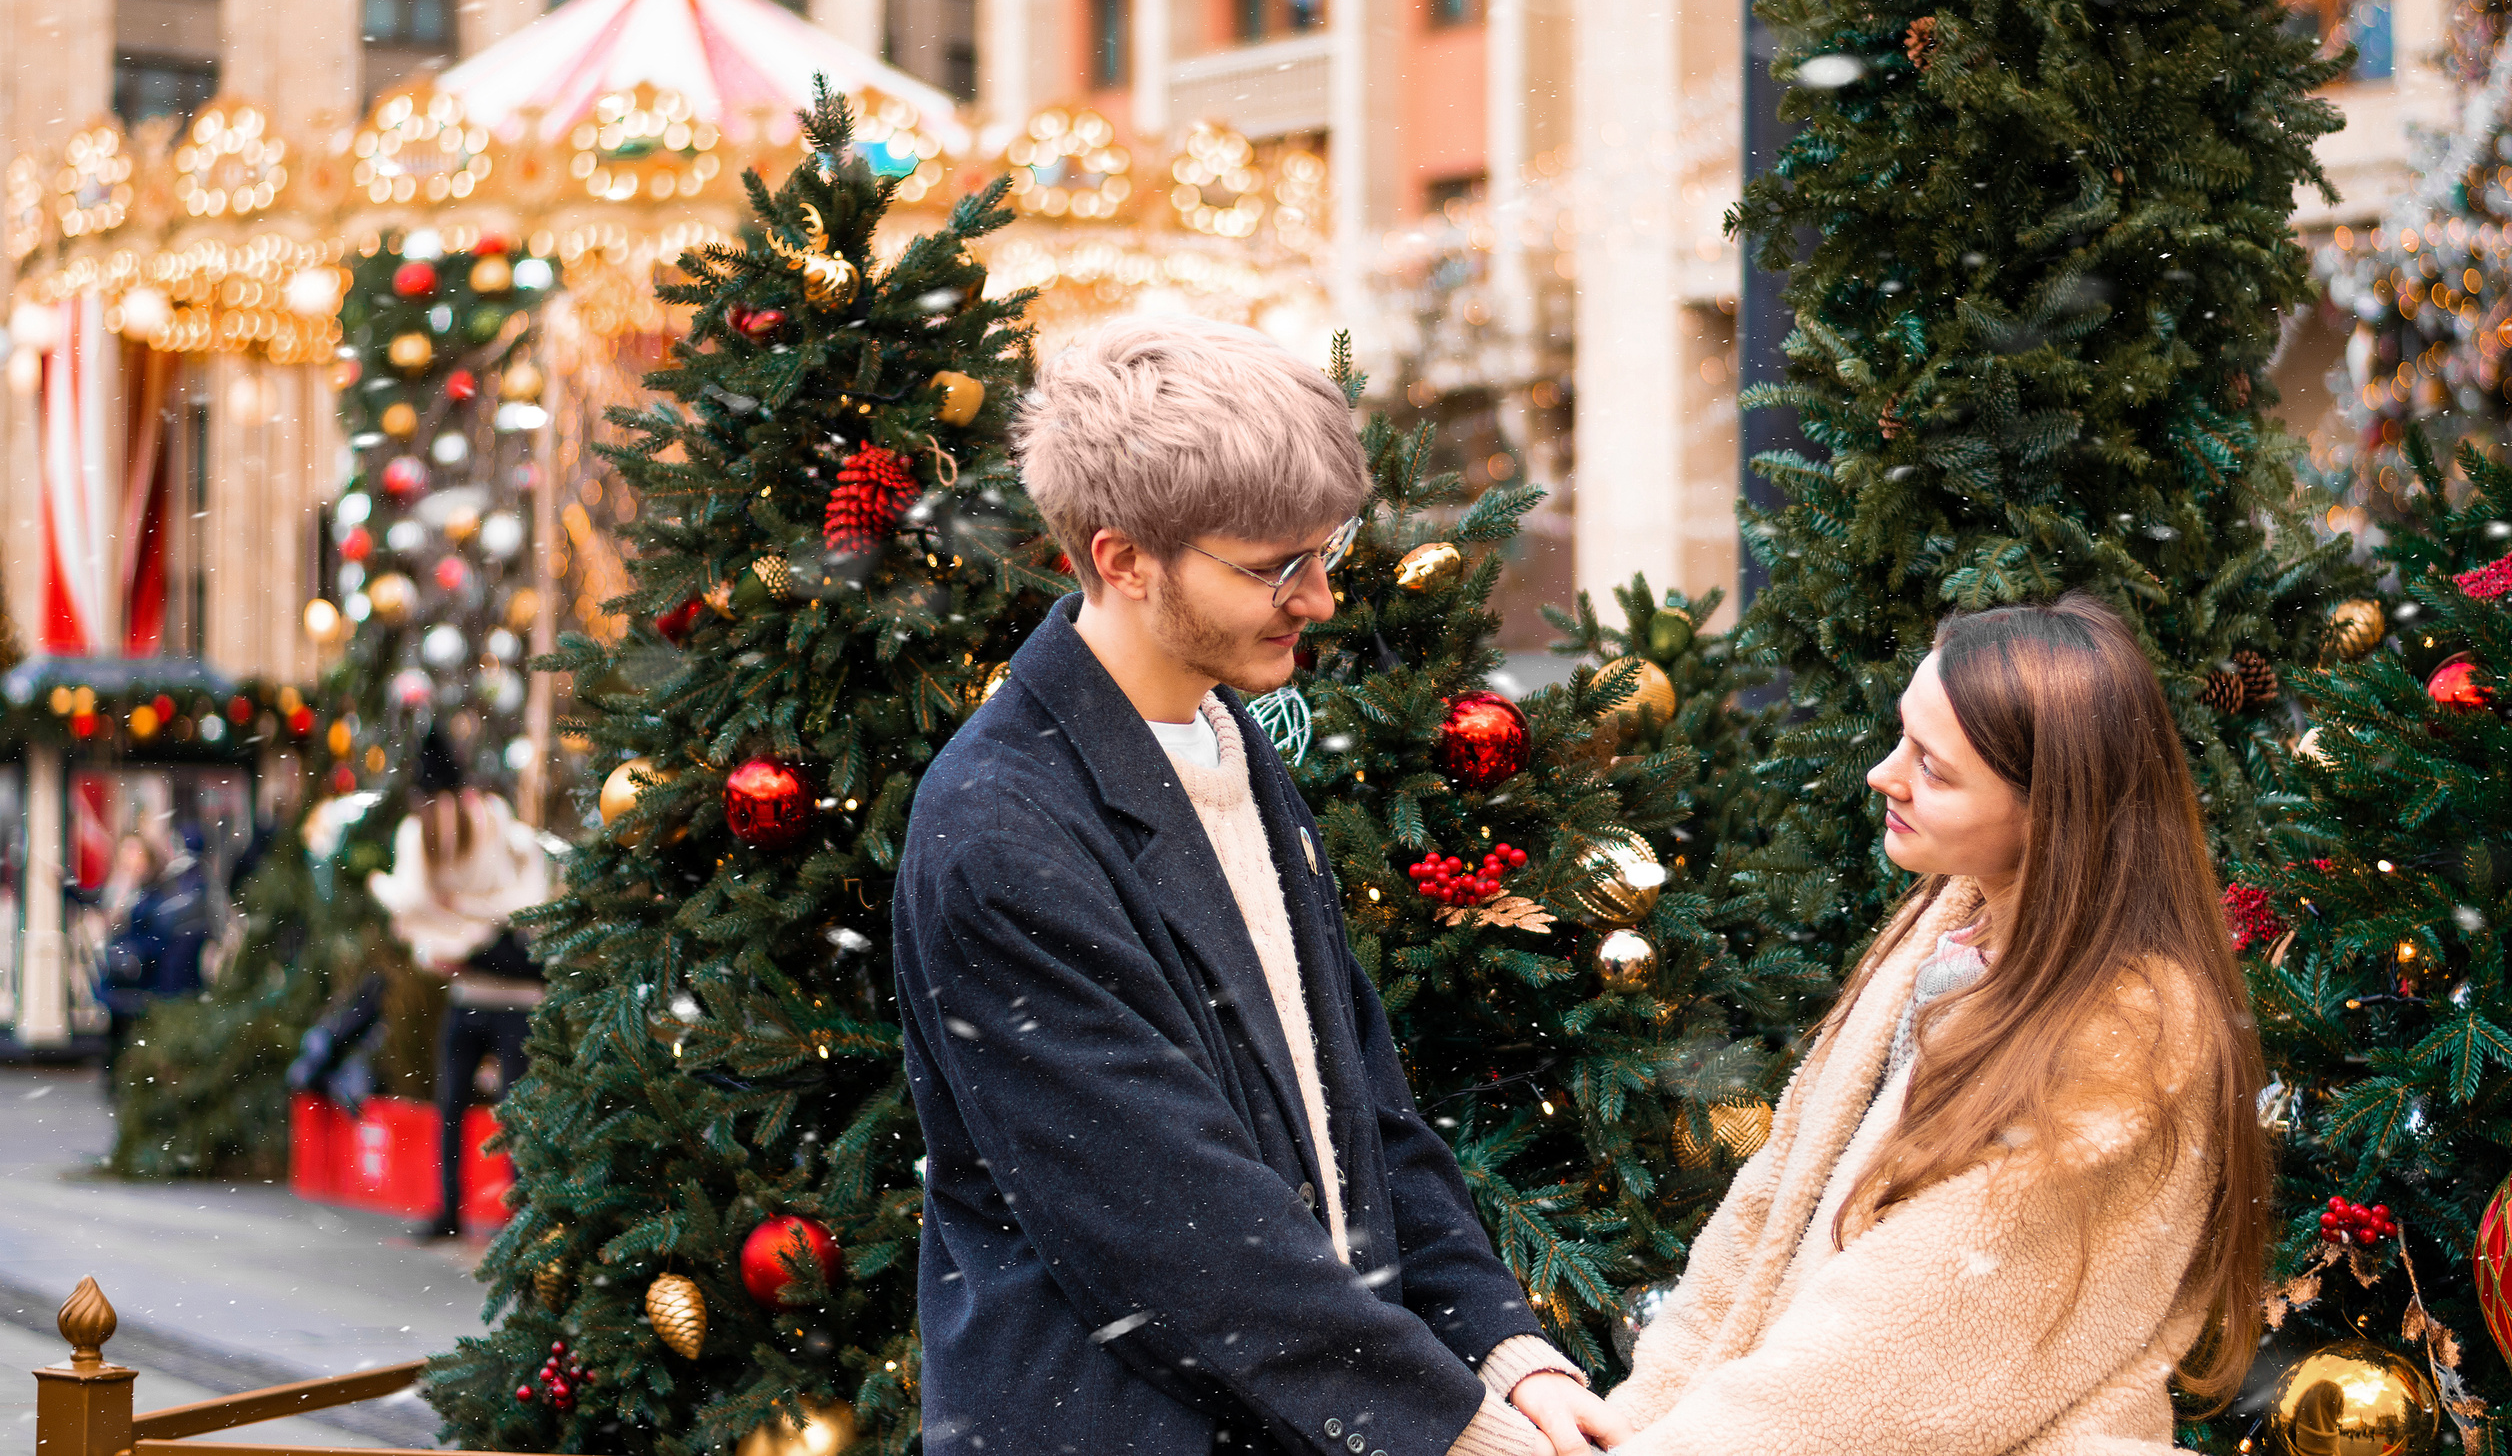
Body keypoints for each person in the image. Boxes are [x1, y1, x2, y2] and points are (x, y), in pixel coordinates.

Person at [894, 317, 1618, 1456]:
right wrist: (1455, 1431)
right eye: (1273, 565)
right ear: (1124, 559)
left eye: (1323, 551)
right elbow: (1178, 1229)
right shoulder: (999, 832)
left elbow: (1358, 1104)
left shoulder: (1226, 740)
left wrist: (1502, 1350)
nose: (1318, 597)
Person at [1601, 593, 2272, 1455]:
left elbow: (1902, 1348)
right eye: (1902, 738)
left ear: (2053, 809)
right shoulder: (1948, 927)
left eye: (1935, 768)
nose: (1884, 775)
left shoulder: (2128, 1039)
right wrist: (1640, 1415)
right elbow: (1772, 1208)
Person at [369, 728, 552, 1240]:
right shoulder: (474, 819)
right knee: (473, 1106)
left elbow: (513, 902)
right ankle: (470, 1210)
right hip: (482, 990)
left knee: (490, 1109)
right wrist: (466, 932)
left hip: (502, 992)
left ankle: (500, 1213)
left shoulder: (477, 822)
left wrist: (457, 926)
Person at [99, 827, 210, 1086]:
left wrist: (132, 952)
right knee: (119, 1030)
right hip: (126, 973)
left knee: (131, 1032)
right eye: (125, 855)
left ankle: (130, 1078)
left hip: (145, 975)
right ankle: (122, 1077)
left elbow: (157, 934)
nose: (130, 862)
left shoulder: (157, 891)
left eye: (135, 854)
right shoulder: (123, 889)